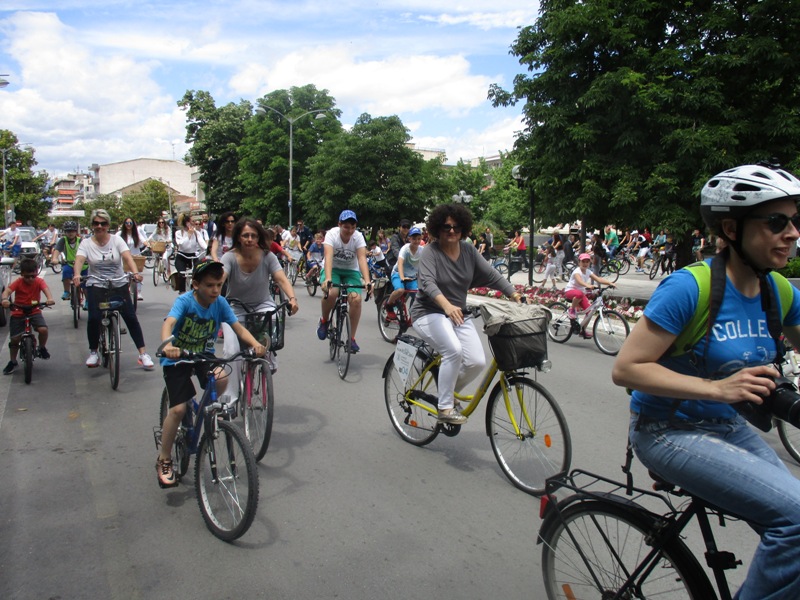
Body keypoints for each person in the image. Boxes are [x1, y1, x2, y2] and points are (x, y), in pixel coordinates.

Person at [612, 163, 800, 599]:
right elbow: (627, 369)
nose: (792, 233)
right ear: (732, 229)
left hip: (727, 427)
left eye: (796, 221)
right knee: (796, 520)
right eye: (777, 222)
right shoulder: (690, 288)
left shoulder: (779, 291)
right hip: (666, 430)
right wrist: (718, 389)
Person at [154, 260, 267, 488]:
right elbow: (169, 323)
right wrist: (168, 345)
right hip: (178, 358)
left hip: (203, 356)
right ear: (196, 285)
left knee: (221, 377)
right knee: (178, 409)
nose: (215, 290)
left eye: (218, 285)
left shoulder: (220, 303)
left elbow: (238, 328)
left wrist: (255, 344)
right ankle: (164, 459)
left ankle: (206, 412)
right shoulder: (185, 301)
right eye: (209, 285)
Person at [410, 203, 523, 424]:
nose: (451, 230)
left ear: (463, 228)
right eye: (446, 226)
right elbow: (428, 283)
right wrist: (447, 306)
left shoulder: (469, 251)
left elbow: (491, 274)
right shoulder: (431, 252)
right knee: (453, 350)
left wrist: (513, 293)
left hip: (458, 314)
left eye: (456, 226)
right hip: (428, 312)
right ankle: (445, 408)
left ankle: (447, 390)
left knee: (476, 361)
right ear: (437, 228)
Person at [72, 209, 154, 370]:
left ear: (108, 225)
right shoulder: (86, 243)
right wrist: (76, 274)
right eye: (96, 223)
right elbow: (79, 260)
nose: (99, 226)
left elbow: (127, 257)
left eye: (103, 223)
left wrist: (135, 273)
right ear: (92, 225)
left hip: (118, 283)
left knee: (130, 317)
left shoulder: (117, 240)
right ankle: (94, 352)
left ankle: (143, 354)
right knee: (94, 318)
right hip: (96, 284)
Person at [220, 218, 299, 378]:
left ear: (259, 238)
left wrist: (292, 299)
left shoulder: (268, 256)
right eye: (245, 235)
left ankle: (268, 353)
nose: (250, 239)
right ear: (238, 237)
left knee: (274, 318)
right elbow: (219, 280)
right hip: (235, 308)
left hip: (262, 304)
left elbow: (281, 279)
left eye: (253, 236)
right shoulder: (229, 257)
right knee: (231, 352)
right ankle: (231, 393)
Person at [316, 210, 372, 353]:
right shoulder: (332, 234)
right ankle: (324, 321)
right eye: (346, 227)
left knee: (356, 300)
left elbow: (361, 258)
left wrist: (367, 281)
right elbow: (328, 256)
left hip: (351, 271)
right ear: (339, 225)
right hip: (333, 269)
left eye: (353, 227)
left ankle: (351, 339)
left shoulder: (358, 237)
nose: (350, 231)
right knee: (332, 292)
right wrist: (328, 278)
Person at [1, 258, 55, 374]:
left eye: (33, 276)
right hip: (18, 311)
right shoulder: (18, 282)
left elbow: (46, 290)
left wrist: (49, 299)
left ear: (36, 274)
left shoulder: (39, 282)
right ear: (22, 274)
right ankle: (13, 361)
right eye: (27, 276)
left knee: (43, 329)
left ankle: (42, 347)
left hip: (34, 311)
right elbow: (7, 291)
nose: (30, 279)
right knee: (15, 339)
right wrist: (5, 299)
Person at [564, 252, 617, 338]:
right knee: (580, 293)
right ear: (579, 262)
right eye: (583, 261)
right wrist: (588, 285)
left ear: (589, 263)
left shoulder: (588, 272)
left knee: (590, 312)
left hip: (580, 294)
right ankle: (572, 310)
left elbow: (599, 279)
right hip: (570, 291)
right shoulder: (576, 271)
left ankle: (583, 330)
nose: (585, 264)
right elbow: (579, 281)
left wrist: (610, 283)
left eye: (587, 262)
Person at [385, 226, 423, 316]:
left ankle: (412, 312)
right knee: (400, 290)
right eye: (414, 239)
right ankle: (388, 304)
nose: (416, 241)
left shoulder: (422, 250)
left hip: (412, 277)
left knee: (418, 295)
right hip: (398, 274)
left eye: (419, 239)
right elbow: (400, 263)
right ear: (409, 239)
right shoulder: (405, 249)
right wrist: (402, 277)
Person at [51, 221, 88, 302]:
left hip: (82, 265)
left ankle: (88, 301)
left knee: (86, 283)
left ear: (76, 232)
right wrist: (55, 259)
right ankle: (67, 291)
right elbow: (57, 250)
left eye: (72, 231)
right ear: (65, 232)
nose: (70, 233)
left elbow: (87, 251)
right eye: (68, 231)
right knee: (65, 272)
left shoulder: (81, 240)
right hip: (69, 264)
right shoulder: (63, 240)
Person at [173, 213, 208, 292]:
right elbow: (181, 245)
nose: (194, 223)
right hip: (182, 256)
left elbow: (202, 243)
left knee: (198, 272)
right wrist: (188, 235)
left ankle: (197, 290)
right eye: (192, 221)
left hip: (193, 256)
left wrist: (207, 249)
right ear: (187, 223)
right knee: (182, 274)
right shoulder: (179, 233)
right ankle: (182, 292)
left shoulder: (196, 233)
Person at [116, 216, 145, 301]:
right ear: (124, 224)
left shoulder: (136, 234)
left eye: (130, 223)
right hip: (124, 258)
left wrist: (149, 245)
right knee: (123, 275)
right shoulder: (119, 234)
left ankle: (138, 292)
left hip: (135, 257)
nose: (128, 224)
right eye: (127, 223)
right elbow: (113, 241)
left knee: (137, 274)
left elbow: (144, 241)